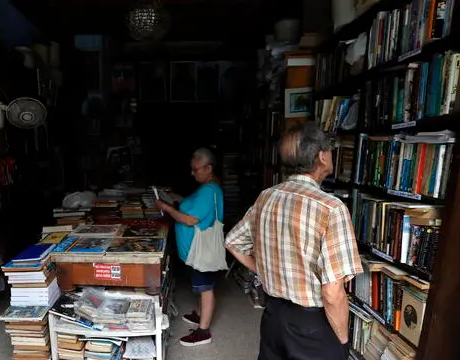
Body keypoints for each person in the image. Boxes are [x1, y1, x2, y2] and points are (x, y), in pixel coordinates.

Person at [224, 123, 362, 360]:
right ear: (321, 156)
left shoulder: (267, 196)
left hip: (273, 316)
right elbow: (332, 291)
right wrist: (342, 339)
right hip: (312, 325)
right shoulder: (330, 208)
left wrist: (265, 271)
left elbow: (233, 242)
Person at [155, 147, 224, 347]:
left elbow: (190, 219)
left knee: (206, 287)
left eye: (196, 169)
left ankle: (203, 331)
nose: (192, 173)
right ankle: (202, 315)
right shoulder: (208, 187)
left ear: (208, 168)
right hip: (198, 248)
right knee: (203, 284)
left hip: (203, 248)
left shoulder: (210, 189)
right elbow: (194, 206)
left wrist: (166, 207)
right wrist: (175, 198)